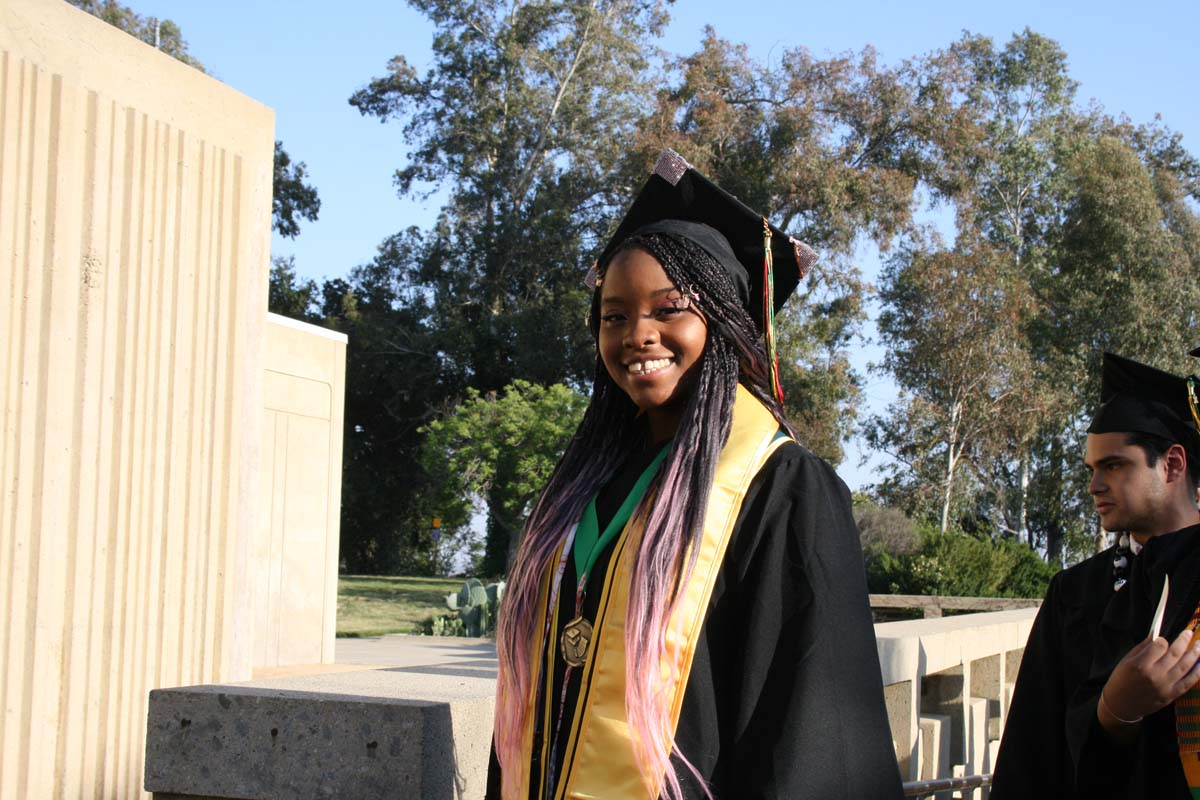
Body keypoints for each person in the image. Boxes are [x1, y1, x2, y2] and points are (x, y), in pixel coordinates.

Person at [485, 150, 903, 800]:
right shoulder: (581, 490)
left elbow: (811, 731)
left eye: (668, 309)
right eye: (614, 315)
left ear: (723, 320)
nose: (638, 334)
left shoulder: (781, 489)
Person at [1052, 352, 1200, 798]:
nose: (1094, 485)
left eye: (1114, 465)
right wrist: (1113, 712)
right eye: (1092, 469)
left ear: (1172, 464)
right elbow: (1036, 753)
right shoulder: (1073, 595)